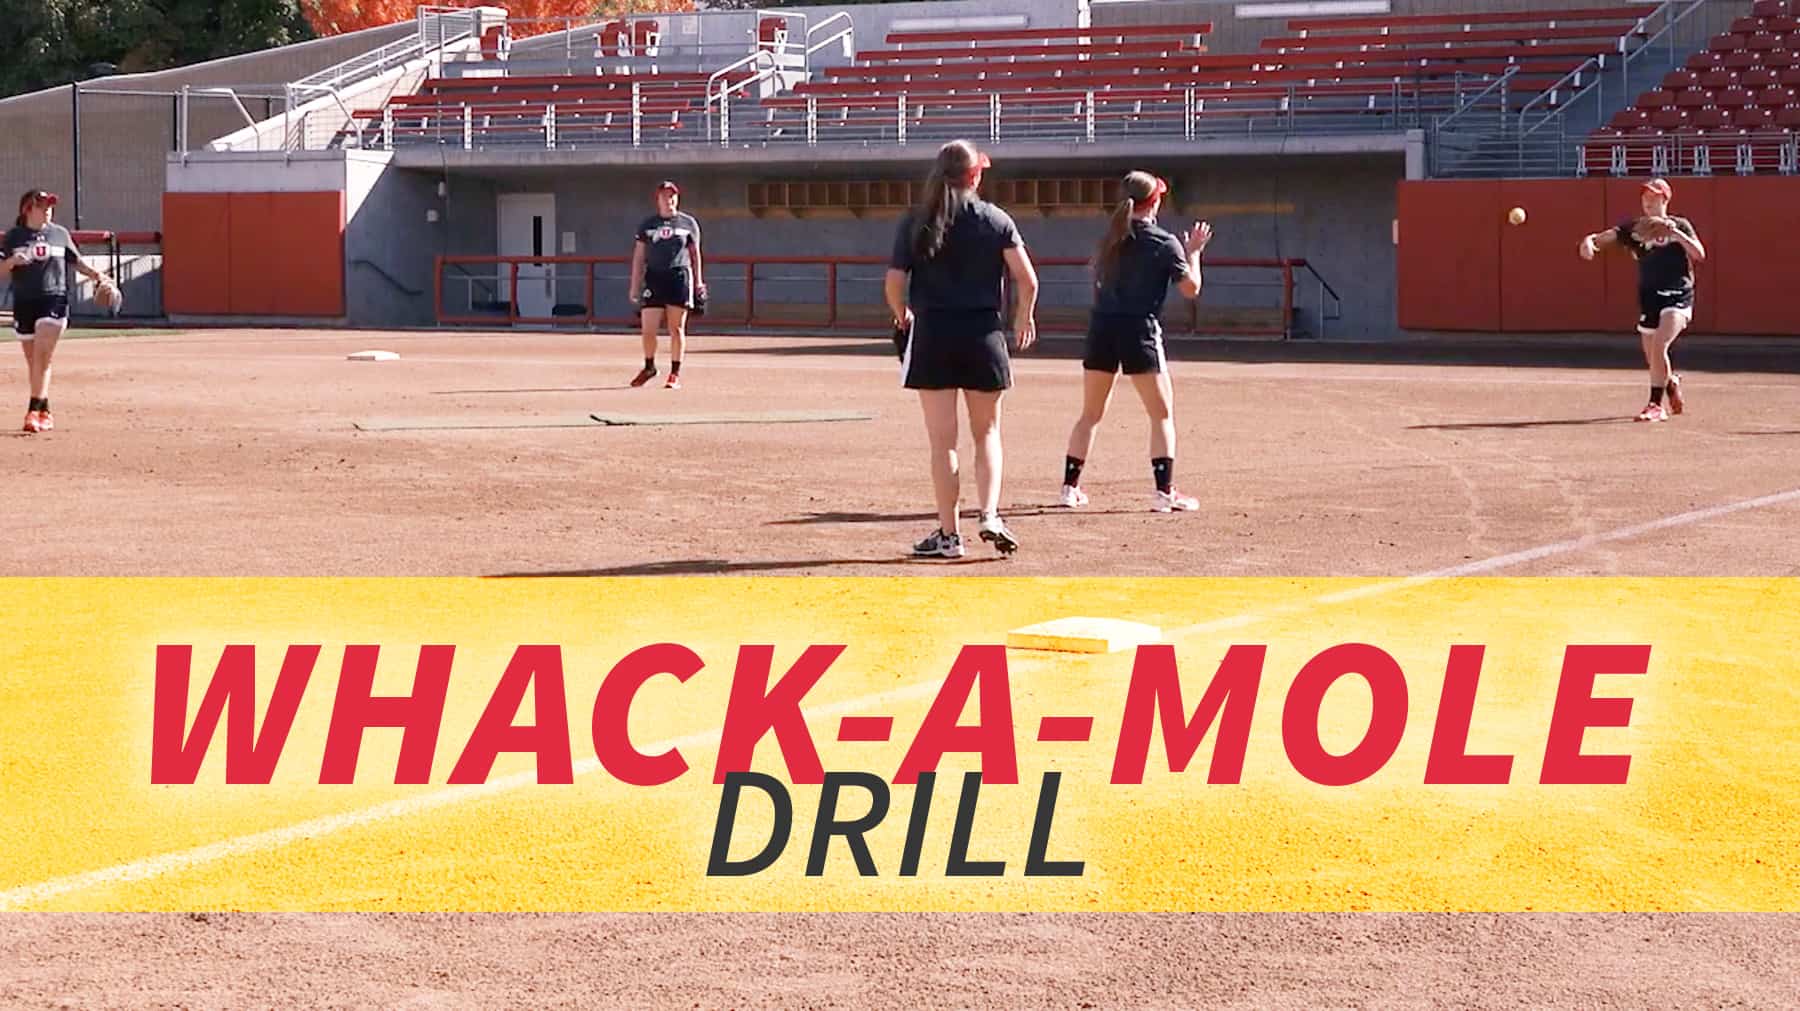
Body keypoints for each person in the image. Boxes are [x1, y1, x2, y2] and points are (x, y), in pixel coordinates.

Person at [886, 140, 1039, 559]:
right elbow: (1027, 280)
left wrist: (902, 315)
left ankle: (949, 535)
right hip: (982, 334)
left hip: (933, 334)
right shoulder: (995, 218)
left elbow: (894, 282)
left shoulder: (916, 220)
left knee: (943, 444)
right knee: (987, 432)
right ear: (975, 175)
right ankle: (989, 514)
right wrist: (1022, 318)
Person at [1060, 171, 1210, 513]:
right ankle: (1164, 493)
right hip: (1139, 331)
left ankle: (1069, 488)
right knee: (1162, 414)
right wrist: (1194, 252)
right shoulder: (1164, 242)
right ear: (1154, 202)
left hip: (1102, 329)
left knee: (1090, 414)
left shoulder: (1111, 238)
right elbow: (1191, 289)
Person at [1579, 177, 1706, 423]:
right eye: (1645, 196)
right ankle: (1670, 383)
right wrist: (1588, 242)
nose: (1648, 201)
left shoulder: (1680, 224)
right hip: (1650, 297)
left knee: (1659, 345)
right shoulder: (1636, 228)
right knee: (1653, 357)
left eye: (1654, 196)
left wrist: (1676, 234)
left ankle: (1655, 405)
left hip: (1678, 294)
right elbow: (1602, 238)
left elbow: (1699, 254)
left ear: (1665, 199)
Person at [5, 190, 115, 433]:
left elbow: (77, 261)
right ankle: (45, 411)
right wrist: (12, 262)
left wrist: (98, 276)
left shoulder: (60, 234)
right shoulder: (14, 236)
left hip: (54, 298)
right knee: (35, 361)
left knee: (43, 353)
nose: (48, 210)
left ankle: (33, 410)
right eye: (42, 205)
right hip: (24, 303)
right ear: (27, 209)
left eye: (50, 206)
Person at [628, 181, 705, 390]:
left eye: (672, 196)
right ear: (658, 199)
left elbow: (695, 255)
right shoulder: (648, 224)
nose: (668, 200)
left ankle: (674, 373)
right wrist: (634, 285)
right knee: (648, 329)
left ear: (677, 199)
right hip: (654, 277)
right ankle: (649, 366)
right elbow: (639, 256)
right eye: (664, 196)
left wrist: (698, 282)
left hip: (678, 277)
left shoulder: (688, 223)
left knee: (676, 328)